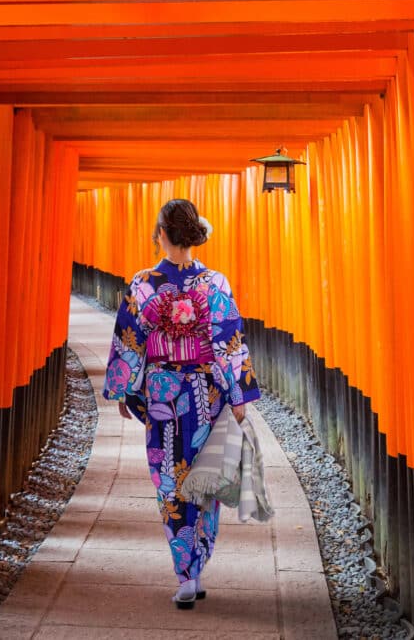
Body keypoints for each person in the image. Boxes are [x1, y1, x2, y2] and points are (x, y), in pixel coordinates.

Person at [102, 198, 261, 609]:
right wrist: (238, 395)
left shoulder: (142, 284)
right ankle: (198, 562)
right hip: (206, 393)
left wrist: (123, 388)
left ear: (162, 234)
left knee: (170, 482)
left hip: (163, 395)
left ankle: (186, 571)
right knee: (204, 477)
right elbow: (230, 343)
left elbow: (129, 342)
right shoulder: (216, 284)